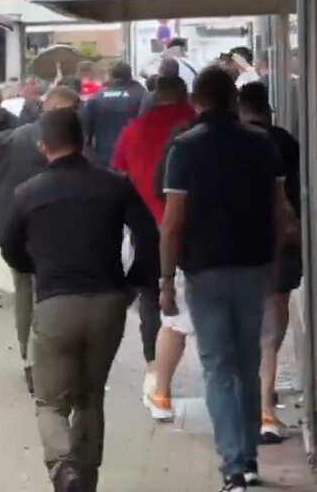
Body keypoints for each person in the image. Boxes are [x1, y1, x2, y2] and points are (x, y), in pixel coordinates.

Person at [0, 108, 159, 492]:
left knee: (51, 401)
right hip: (107, 302)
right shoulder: (114, 185)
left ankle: (62, 467)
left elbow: (9, 249)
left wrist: (37, 270)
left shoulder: (28, 192)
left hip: (56, 303)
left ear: (42, 147)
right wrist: (135, 282)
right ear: (85, 141)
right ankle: (85, 478)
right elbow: (149, 236)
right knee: (90, 397)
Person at [160, 67, 289, 491]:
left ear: (196, 101)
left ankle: (233, 467)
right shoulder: (262, 145)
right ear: (233, 100)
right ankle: (250, 458)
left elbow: (173, 222)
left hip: (205, 271)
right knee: (248, 364)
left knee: (217, 367)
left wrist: (166, 278)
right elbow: (278, 213)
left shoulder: (184, 149)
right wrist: (271, 264)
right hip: (253, 268)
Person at [0, 84, 80, 395]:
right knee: (52, 294)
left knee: (24, 295)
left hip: (16, 231)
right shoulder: (72, 141)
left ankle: (30, 361)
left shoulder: (13, 137)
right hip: (56, 231)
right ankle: (54, 358)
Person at [109, 75, 197, 421]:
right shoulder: (194, 123)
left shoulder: (134, 129)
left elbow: (120, 172)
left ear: (154, 97)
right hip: (199, 227)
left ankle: (155, 376)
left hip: (149, 224)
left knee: (158, 304)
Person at [238, 82, 302, 444]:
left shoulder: (227, 144)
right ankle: (264, 410)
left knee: (247, 334)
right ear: (268, 109)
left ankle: (254, 404)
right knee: (270, 332)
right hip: (281, 247)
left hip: (238, 253)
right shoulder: (284, 142)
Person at [80, 62, 146, 167]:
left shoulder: (96, 98)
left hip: (104, 157)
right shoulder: (142, 95)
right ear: (130, 75)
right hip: (134, 157)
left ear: (111, 76)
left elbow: (85, 131)